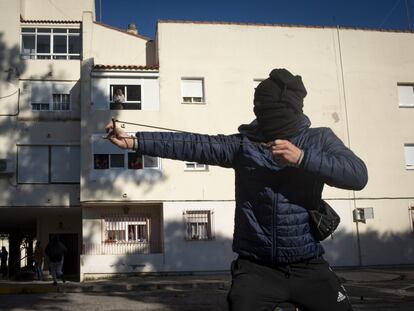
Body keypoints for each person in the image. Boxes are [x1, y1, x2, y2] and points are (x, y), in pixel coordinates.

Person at [106, 68, 368, 311]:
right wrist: (134, 140)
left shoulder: (319, 139)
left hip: (308, 265)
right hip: (256, 269)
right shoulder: (244, 146)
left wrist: (302, 157)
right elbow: (194, 144)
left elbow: (358, 176)